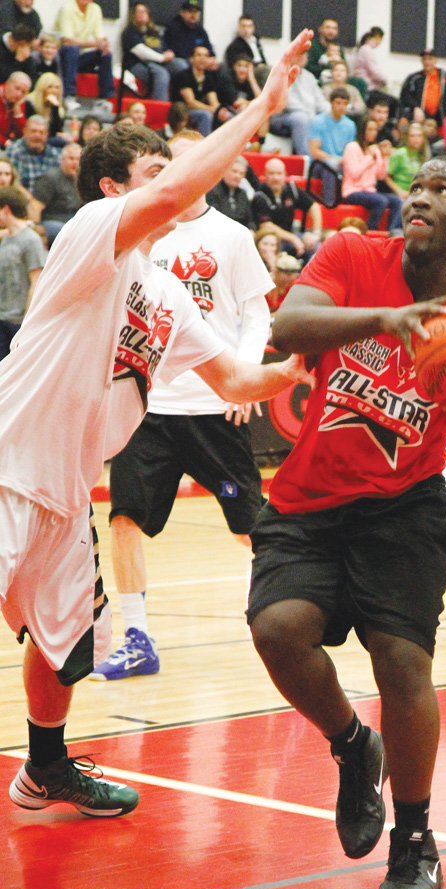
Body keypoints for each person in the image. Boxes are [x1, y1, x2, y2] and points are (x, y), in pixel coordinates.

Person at [0, 28, 314, 819]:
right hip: (7, 467)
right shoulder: (87, 239)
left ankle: (45, 771)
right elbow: (175, 194)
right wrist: (264, 106)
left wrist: (309, 360)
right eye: (153, 171)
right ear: (115, 189)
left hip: (67, 496)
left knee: (68, 647)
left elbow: (241, 378)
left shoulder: (166, 294)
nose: (174, 185)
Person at [247, 155, 446, 889]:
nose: (421, 196)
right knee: (278, 631)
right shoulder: (351, 252)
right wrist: (387, 320)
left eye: (443, 190)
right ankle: (351, 744)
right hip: (310, 498)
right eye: (418, 185)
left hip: (404, 507)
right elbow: (287, 324)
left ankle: (414, 842)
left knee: (402, 661)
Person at [90, 131, 274, 681]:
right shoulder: (142, 229)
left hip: (213, 405)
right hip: (147, 406)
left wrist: (242, 373)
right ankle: (137, 637)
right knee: (123, 517)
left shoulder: (232, 235)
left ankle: (285, 616)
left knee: (250, 527)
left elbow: (258, 313)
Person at [0, 184, 44, 360]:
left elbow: (36, 281)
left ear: (6, 209)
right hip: (3, 316)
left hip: (18, 321)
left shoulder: (31, 240)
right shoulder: (6, 237)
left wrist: (27, 320)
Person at [252, 156, 322, 260]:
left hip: (290, 236)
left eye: (279, 173)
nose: (276, 178)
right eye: (272, 173)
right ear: (265, 174)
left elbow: (314, 207)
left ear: (285, 174)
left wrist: (315, 234)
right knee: (272, 245)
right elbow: (267, 226)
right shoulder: (259, 195)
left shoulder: (291, 190)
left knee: (315, 246)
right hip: (269, 238)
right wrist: (293, 238)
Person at [341, 115, 401, 232]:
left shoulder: (375, 149)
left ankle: (391, 233)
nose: (373, 133)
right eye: (370, 129)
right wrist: (369, 157)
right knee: (380, 201)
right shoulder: (352, 147)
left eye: (375, 130)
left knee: (397, 201)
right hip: (352, 191)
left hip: (370, 191)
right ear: (363, 130)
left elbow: (381, 175)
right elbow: (354, 173)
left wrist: (384, 157)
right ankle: (371, 231)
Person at [55, 0, 115, 112]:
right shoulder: (67, 8)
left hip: (80, 57)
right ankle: (69, 95)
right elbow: (67, 39)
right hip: (63, 56)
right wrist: (94, 43)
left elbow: (99, 36)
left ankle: (104, 98)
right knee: (72, 49)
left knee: (105, 54)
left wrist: (104, 44)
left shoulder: (95, 9)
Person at [269, 50, 327, 156]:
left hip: (309, 116)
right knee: (301, 119)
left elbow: (320, 101)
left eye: (304, 54)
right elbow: (287, 102)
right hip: (281, 117)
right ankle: (305, 160)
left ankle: (326, 159)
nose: (301, 57)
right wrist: (310, 116)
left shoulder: (310, 77)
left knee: (327, 118)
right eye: (298, 54)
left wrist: (330, 113)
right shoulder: (283, 73)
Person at [121, 3, 179, 103]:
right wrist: (161, 58)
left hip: (159, 62)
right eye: (139, 12)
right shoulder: (130, 31)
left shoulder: (154, 32)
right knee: (161, 74)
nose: (142, 14)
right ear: (133, 15)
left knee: (181, 65)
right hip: (138, 65)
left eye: (144, 12)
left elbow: (164, 47)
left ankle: (180, 105)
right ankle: (161, 108)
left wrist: (169, 54)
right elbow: (140, 51)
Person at [170, 45, 233, 137]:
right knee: (206, 115)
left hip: (201, 109)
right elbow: (190, 102)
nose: (202, 59)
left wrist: (220, 110)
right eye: (199, 55)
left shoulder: (209, 78)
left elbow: (213, 101)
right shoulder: (184, 76)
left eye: (205, 56)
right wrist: (212, 110)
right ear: (191, 59)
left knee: (229, 116)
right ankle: (205, 146)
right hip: (182, 111)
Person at [30, 140, 81, 244]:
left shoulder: (84, 180)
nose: (75, 163)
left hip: (76, 223)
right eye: (71, 158)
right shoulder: (50, 178)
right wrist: (36, 229)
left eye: (78, 159)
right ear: (62, 160)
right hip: (53, 223)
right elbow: (34, 207)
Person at [6, 114, 61, 191]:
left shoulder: (55, 155)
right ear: (25, 131)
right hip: (22, 199)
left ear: (47, 134)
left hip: (50, 200)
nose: (37, 135)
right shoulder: (14, 152)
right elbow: (12, 185)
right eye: (33, 131)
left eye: (41, 132)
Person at [400, 48, 446, 126]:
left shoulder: (443, 75)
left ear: (436, 60)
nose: (427, 62)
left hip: (438, 117)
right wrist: (416, 107)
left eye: (430, 59)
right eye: (424, 59)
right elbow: (405, 95)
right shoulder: (414, 77)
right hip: (420, 116)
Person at [164, 0, 215, 74]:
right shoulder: (174, 28)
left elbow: (209, 49)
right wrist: (196, 60)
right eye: (190, 11)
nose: (193, 15)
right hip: (179, 60)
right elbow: (177, 51)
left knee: (217, 67)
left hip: (198, 60)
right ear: (182, 13)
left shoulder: (201, 31)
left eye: (196, 12)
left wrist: (211, 59)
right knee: (185, 66)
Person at [207, 154, 254, 229]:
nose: (237, 176)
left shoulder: (243, 194)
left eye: (241, 173)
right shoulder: (212, 192)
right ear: (225, 171)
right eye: (234, 171)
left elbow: (250, 220)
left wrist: (251, 231)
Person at [387, 121, 429, 200]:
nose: (416, 139)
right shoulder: (400, 153)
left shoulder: (423, 155)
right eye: (412, 136)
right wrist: (399, 191)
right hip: (400, 195)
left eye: (419, 136)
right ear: (407, 138)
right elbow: (386, 176)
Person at [225, 14, 268, 86]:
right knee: (267, 71)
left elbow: (263, 59)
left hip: (261, 67)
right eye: (243, 26)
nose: (246, 29)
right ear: (239, 27)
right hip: (249, 70)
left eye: (249, 26)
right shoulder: (235, 45)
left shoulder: (256, 42)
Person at [24, 72, 67, 143]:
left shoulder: (58, 107)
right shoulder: (30, 102)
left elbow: (56, 131)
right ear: (42, 88)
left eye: (57, 88)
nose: (54, 91)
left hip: (48, 139)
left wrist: (55, 108)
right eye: (50, 87)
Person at [306, 18, 344, 82]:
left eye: (334, 28)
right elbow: (308, 67)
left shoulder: (338, 47)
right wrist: (328, 64)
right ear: (320, 29)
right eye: (328, 28)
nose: (331, 31)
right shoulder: (312, 47)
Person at [0, 69, 30, 147]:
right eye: (17, 88)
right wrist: (5, 142)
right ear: (7, 84)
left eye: (23, 92)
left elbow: (23, 134)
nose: (19, 94)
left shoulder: (19, 102)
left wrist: (18, 113)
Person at [352, 27, 387, 93]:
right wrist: (385, 79)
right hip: (367, 87)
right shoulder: (367, 50)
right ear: (378, 37)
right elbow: (374, 71)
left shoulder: (364, 49)